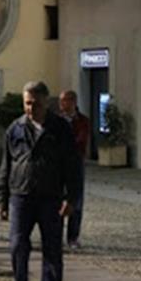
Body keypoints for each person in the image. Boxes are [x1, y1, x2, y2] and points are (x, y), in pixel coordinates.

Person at [0, 81, 81, 281]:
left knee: (52, 252)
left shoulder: (60, 128)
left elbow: (73, 166)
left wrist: (71, 198)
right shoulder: (15, 128)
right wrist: (2, 198)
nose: (31, 108)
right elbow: (7, 164)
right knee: (17, 248)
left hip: (51, 197)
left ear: (46, 102)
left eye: (35, 103)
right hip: (20, 196)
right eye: (27, 103)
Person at [59, 90, 90, 249]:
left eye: (65, 100)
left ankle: (72, 237)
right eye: (61, 100)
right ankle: (56, 235)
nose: (62, 104)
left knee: (76, 200)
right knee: (57, 198)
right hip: (58, 163)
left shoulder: (82, 121)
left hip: (76, 163)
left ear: (73, 102)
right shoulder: (56, 120)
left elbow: (81, 140)